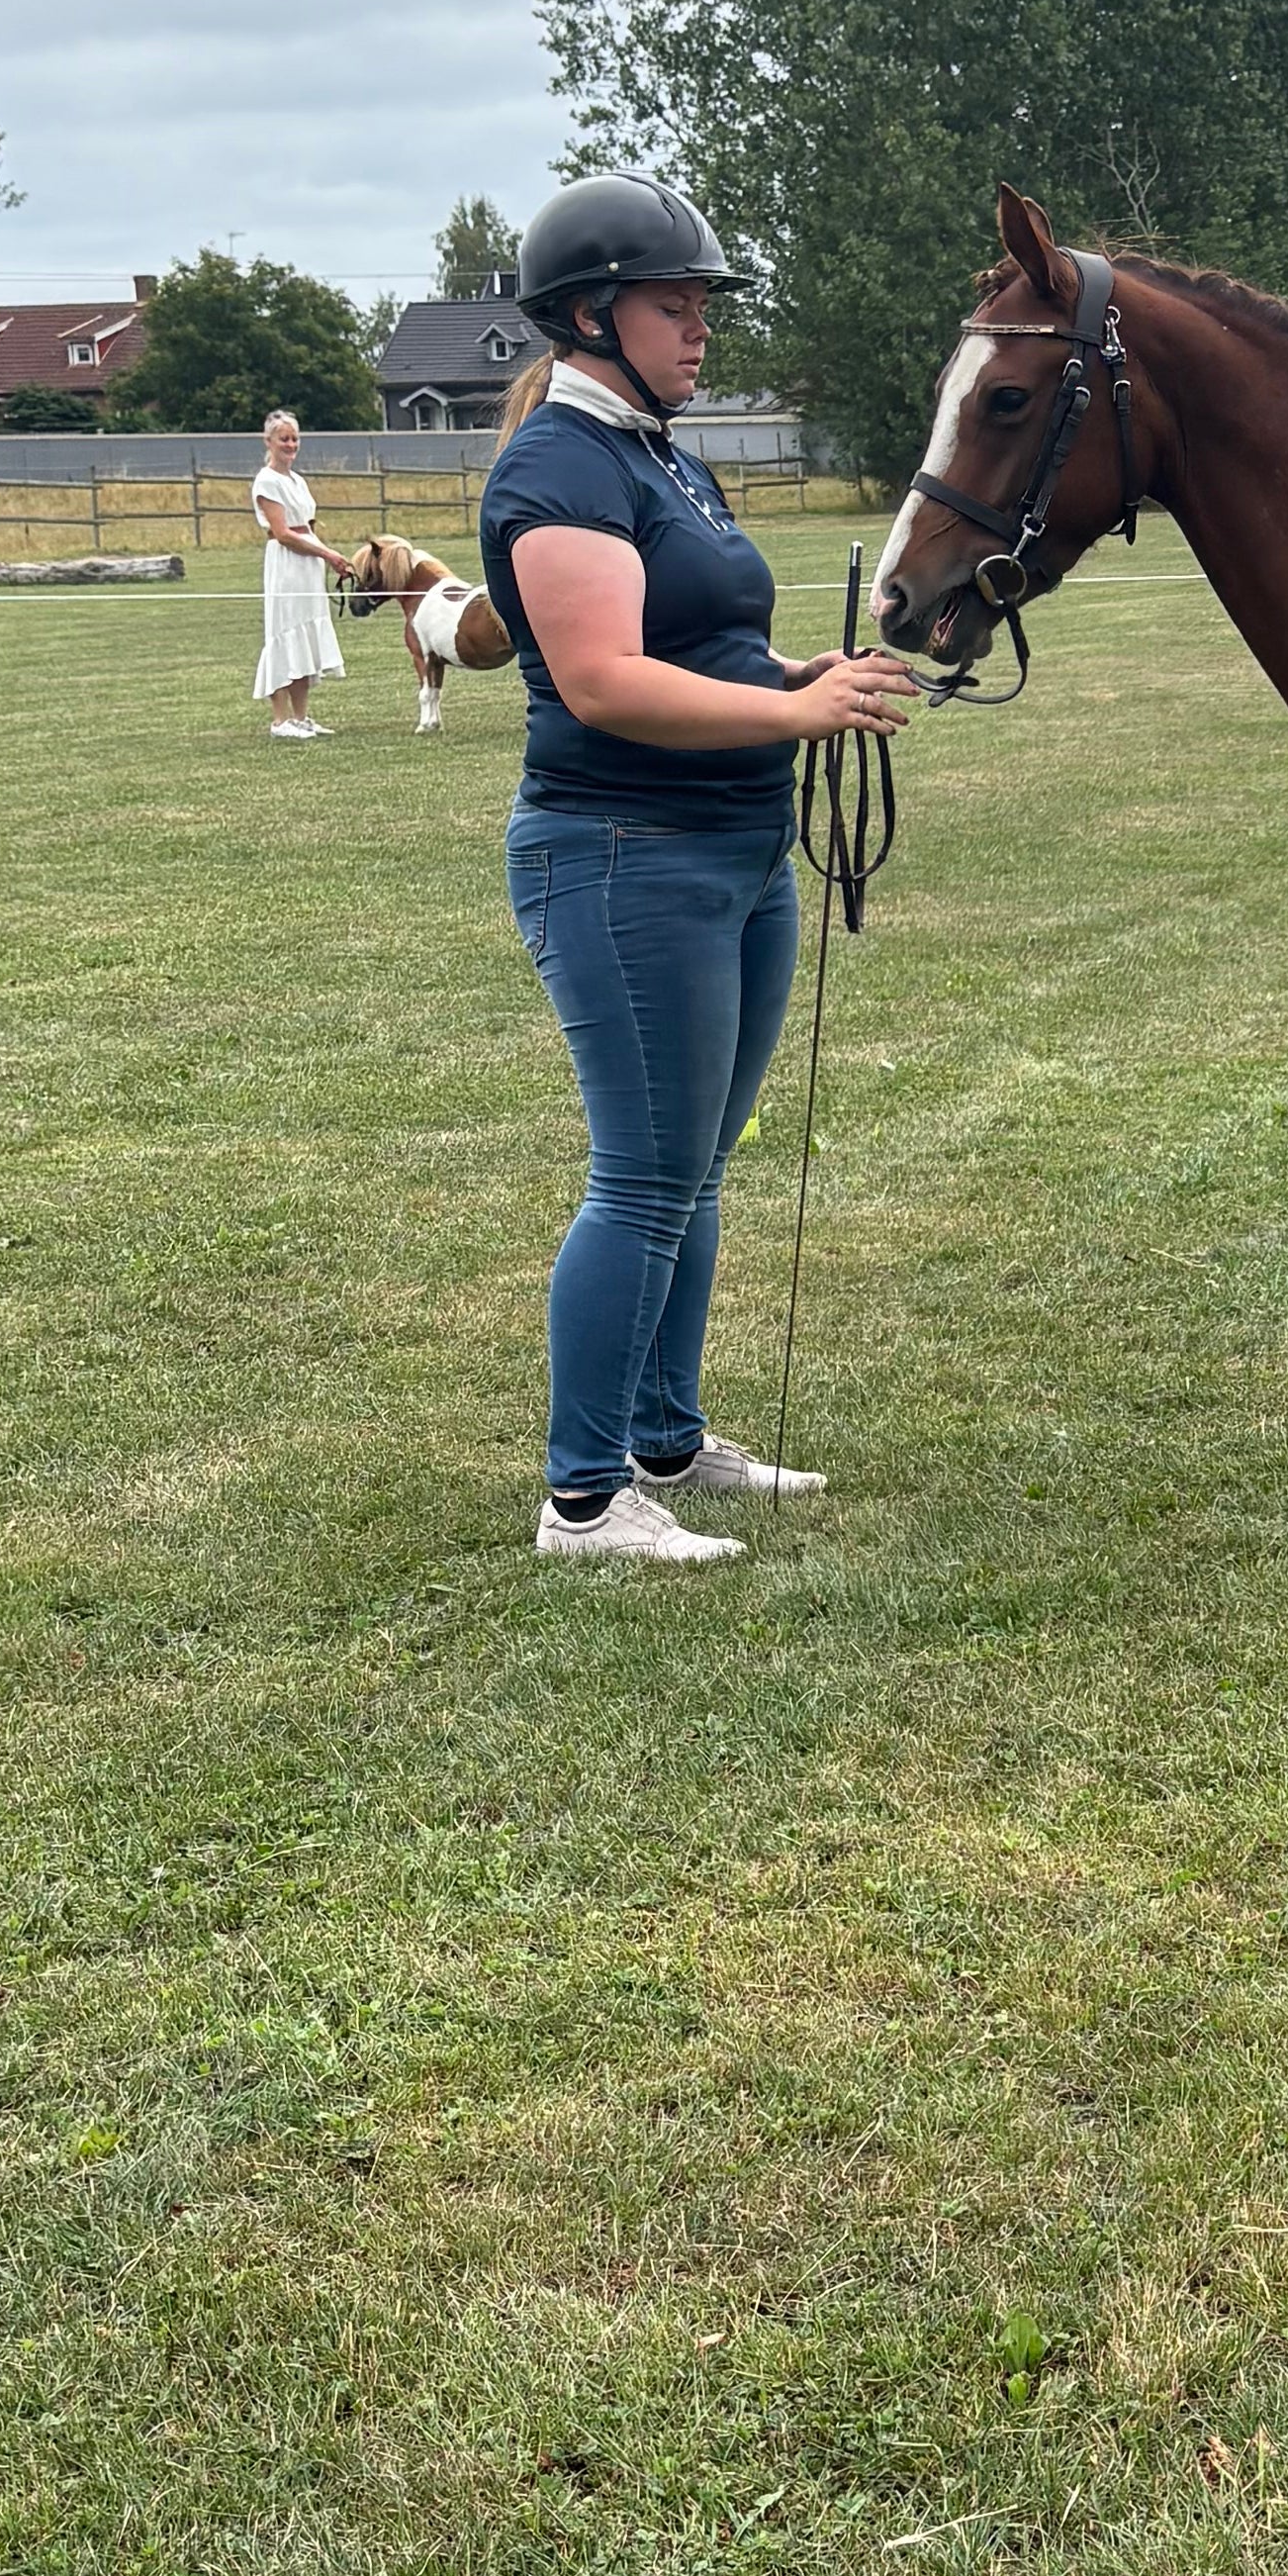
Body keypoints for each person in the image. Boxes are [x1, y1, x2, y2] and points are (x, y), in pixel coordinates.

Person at [479, 173, 916, 1568]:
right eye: (677, 305)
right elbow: (604, 681)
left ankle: (665, 1436)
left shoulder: (665, 455)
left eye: (704, 306)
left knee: (695, 1166)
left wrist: (804, 673)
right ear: (591, 313)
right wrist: (798, 716)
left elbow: (706, 640)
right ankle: (587, 1498)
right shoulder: (560, 466)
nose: (700, 329)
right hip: (624, 854)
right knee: (644, 1177)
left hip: (733, 849)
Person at [251, 411, 342, 734]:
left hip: (307, 565)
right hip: (286, 565)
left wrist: (324, 555)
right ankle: (280, 719)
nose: (290, 445)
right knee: (284, 632)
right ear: (269, 442)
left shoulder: (298, 480)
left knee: (304, 633)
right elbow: (284, 533)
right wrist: (327, 554)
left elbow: (308, 526)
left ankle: (301, 716)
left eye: (294, 438)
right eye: (283, 439)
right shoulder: (267, 481)